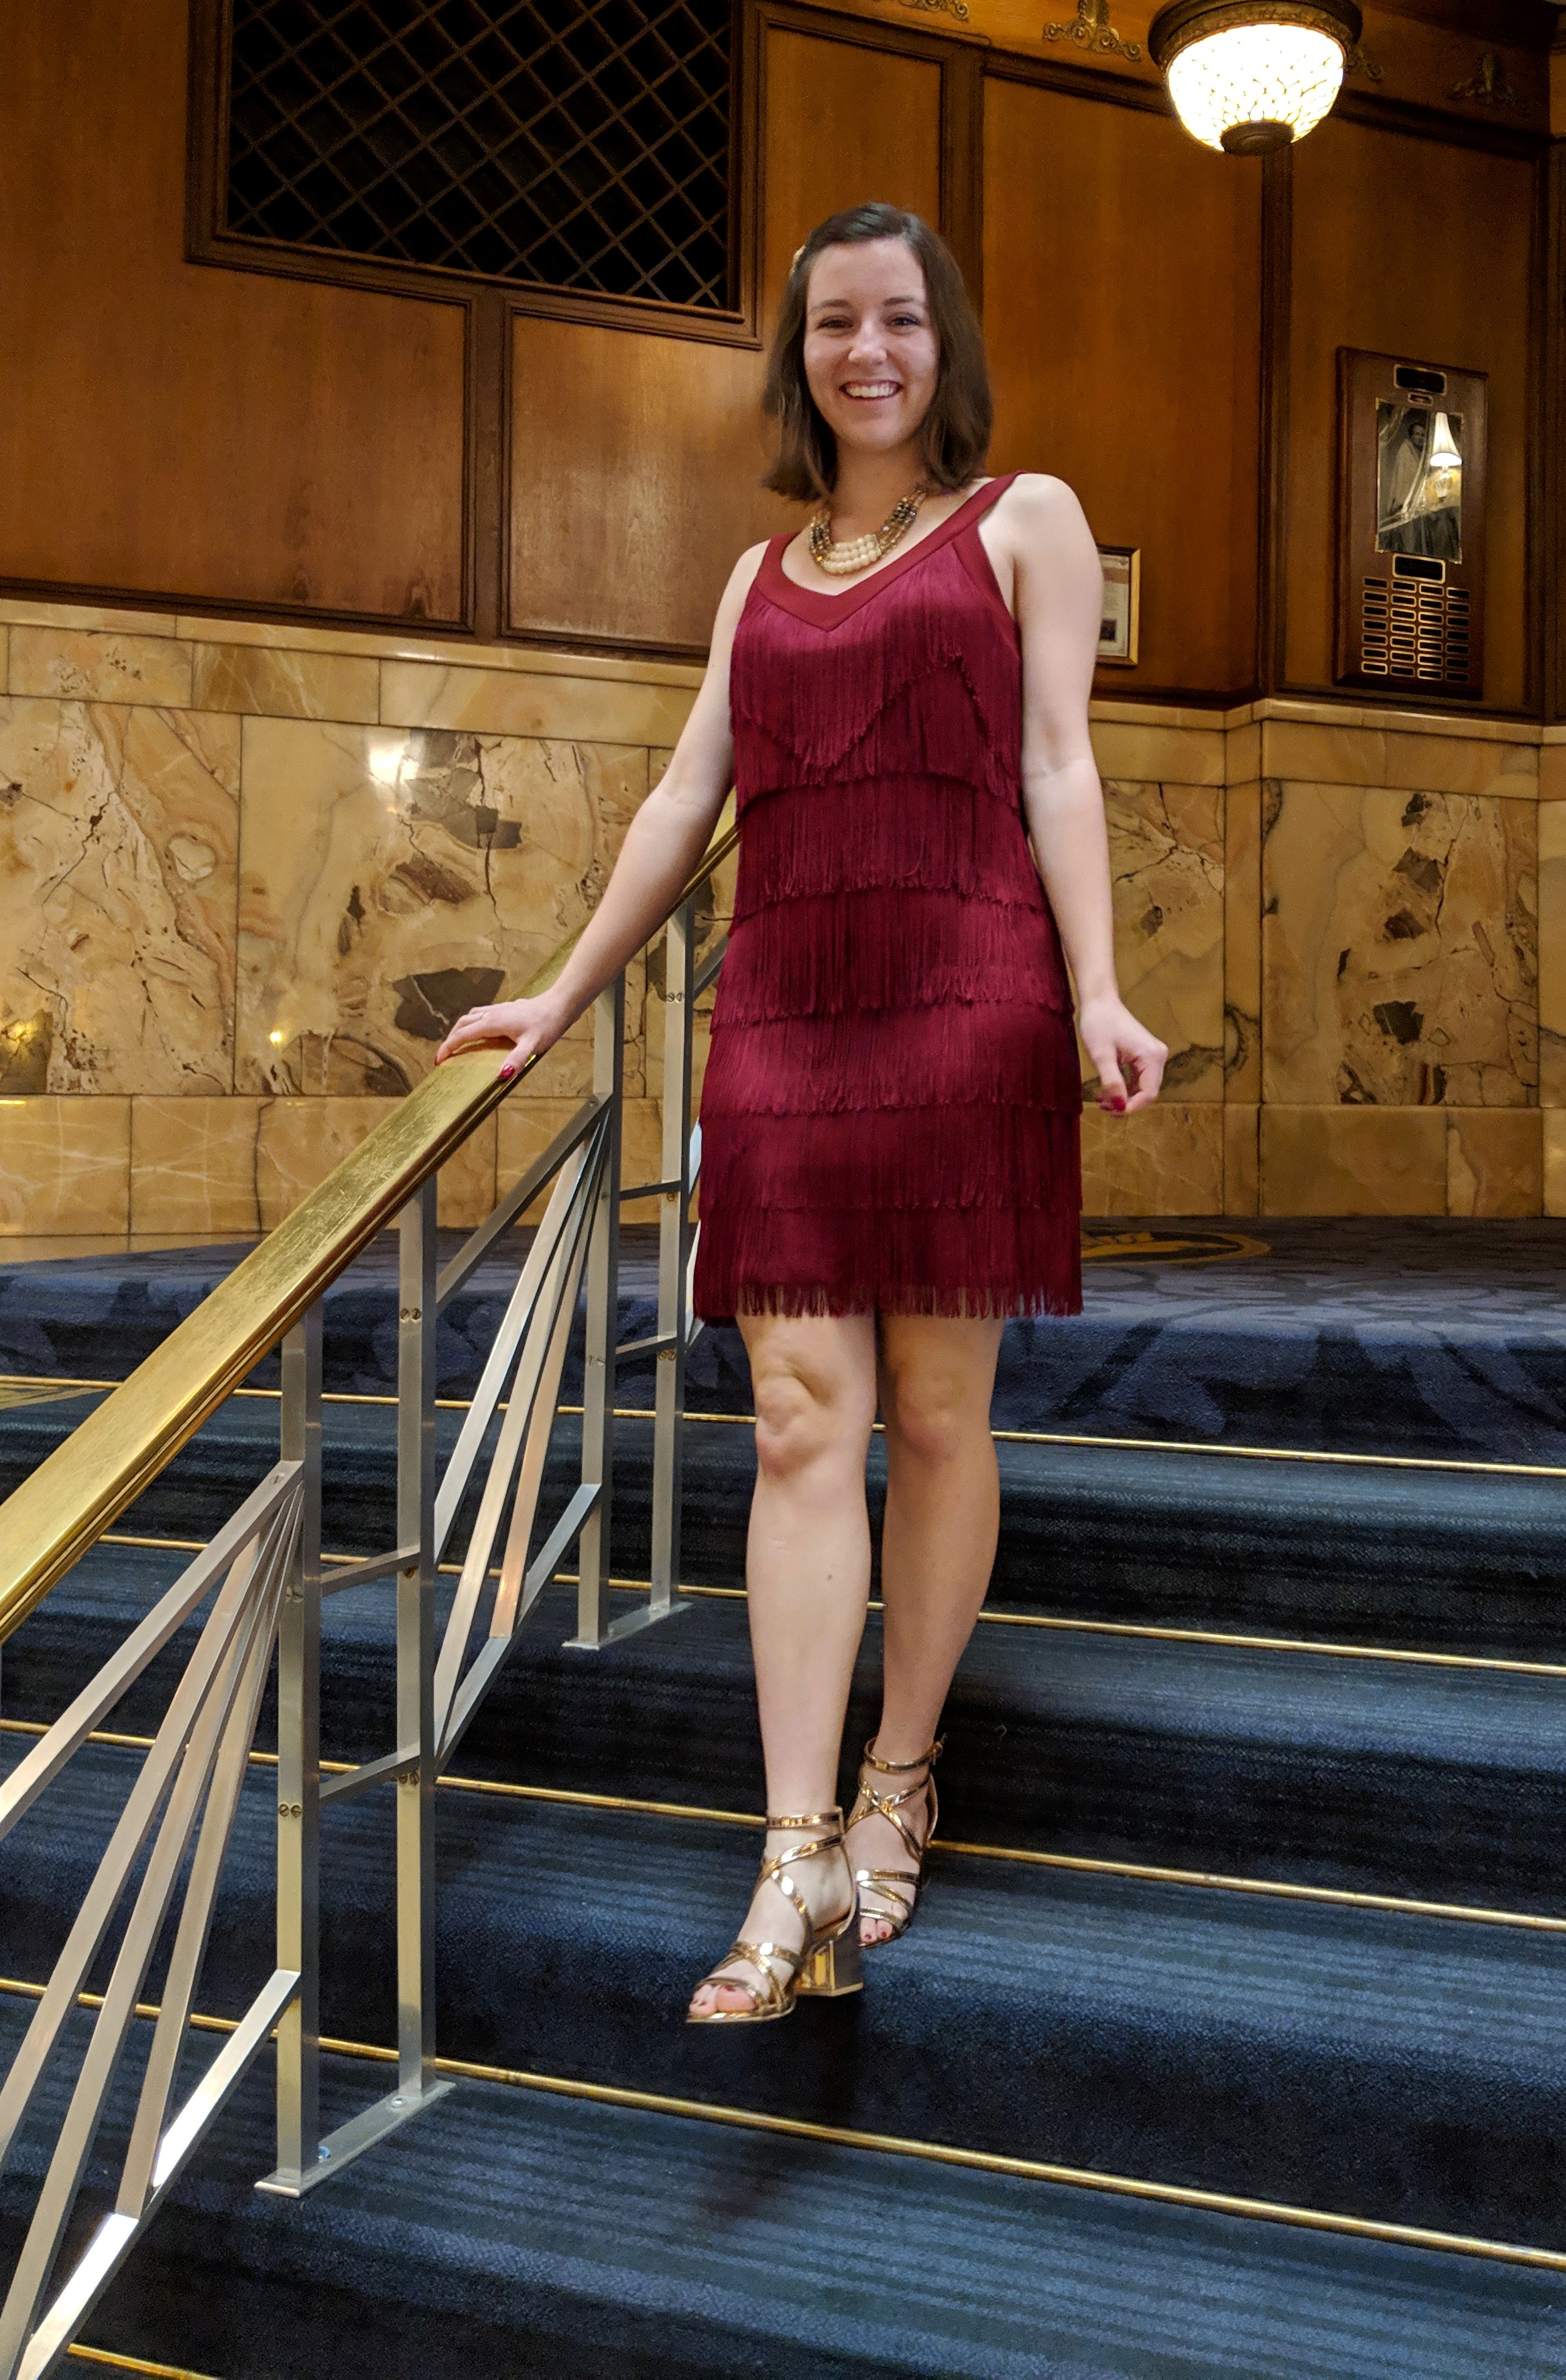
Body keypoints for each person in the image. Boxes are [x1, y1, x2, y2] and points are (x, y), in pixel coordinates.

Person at [437, 200, 1166, 2026]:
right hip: (783, 1009)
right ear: (800, 354)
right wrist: (566, 989)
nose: (868, 352)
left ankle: (899, 1774)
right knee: (787, 1419)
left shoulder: (1029, 522)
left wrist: (1092, 988)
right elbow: (688, 799)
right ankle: (790, 1851)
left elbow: (1063, 763)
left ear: (946, 345)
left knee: (933, 1412)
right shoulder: (759, 580)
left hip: (973, 997)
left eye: (900, 321)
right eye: (836, 323)